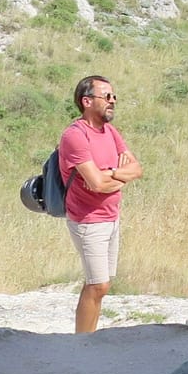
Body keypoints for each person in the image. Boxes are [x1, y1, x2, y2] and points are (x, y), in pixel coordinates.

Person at [58, 74, 143, 333]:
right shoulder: (75, 136)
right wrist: (115, 175)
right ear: (86, 101)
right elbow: (96, 184)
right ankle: (83, 343)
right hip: (88, 219)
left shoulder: (110, 132)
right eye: (107, 97)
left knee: (102, 284)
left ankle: (88, 339)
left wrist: (112, 174)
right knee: (98, 285)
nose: (113, 101)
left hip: (110, 215)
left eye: (114, 96)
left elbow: (136, 168)